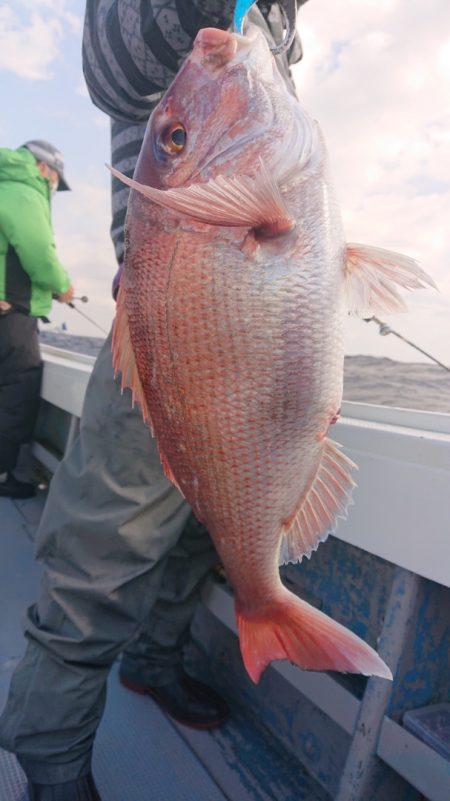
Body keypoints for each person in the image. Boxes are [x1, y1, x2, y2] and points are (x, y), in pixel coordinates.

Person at [0, 3, 306, 800]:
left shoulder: (272, 32)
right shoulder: (206, 34)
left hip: (263, 319)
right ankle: (51, 752)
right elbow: (108, 60)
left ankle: (156, 656)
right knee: (103, 550)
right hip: (176, 312)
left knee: (217, 519)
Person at [0, 140, 74, 500]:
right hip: (12, 315)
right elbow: (38, 253)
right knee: (18, 387)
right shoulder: (24, 190)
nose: (54, 188)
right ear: (44, 167)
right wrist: (63, 287)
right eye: (57, 180)